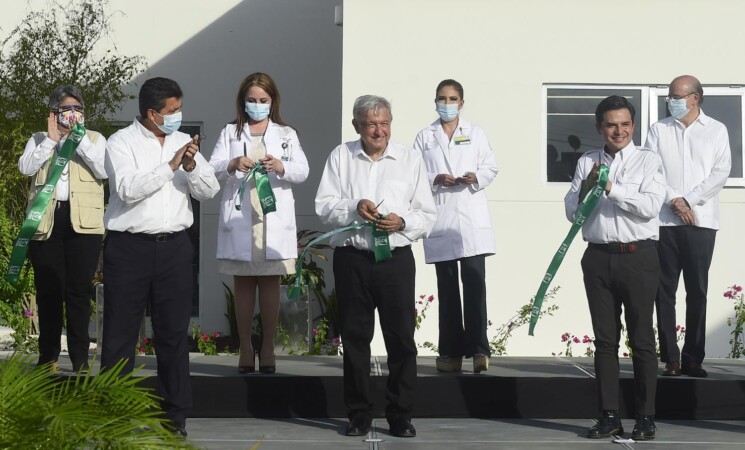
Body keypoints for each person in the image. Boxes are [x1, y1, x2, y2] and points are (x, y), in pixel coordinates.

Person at [101, 77, 220, 438]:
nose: (177, 117)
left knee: (172, 335)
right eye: (171, 111)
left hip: (175, 248)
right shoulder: (120, 142)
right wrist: (168, 166)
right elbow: (127, 189)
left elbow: (210, 190)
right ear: (152, 113)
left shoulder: (184, 142)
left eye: (179, 109)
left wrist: (191, 167)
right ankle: (114, 416)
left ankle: (175, 417)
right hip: (129, 247)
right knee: (120, 336)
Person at [315, 95, 436, 438]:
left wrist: (402, 221)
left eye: (384, 123)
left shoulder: (409, 159)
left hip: (395, 260)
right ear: (357, 126)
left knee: (401, 337)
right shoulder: (341, 157)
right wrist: (355, 207)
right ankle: (358, 414)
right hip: (353, 259)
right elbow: (323, 206)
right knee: (355, 338)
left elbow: (427, 214)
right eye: (371, 124)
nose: (378, 130)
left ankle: (401, 415)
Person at [564, 95, 666, 441]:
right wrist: (587, 191)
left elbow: (650, 207)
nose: (618, 131)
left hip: (638, 256)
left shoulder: (647, 161)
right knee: (605, 340)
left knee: (641, 340)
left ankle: (645, 416)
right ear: (599, 127)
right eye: (611, 124)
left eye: (624, 124)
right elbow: (572, 213)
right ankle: (608, 415)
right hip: (598, 256)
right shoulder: (586, 162)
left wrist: (610, 187)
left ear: (633, 126)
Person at [209, 72, 309, 374]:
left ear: (272, 101)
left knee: (269, 281)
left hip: (271, 215)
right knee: (242, 283)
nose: (257, 105)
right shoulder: (230, 132)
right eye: (252, 100)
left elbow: (302, 170)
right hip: (242, 214)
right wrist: (232, 163)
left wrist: (281, 166)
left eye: (263, 100)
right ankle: (245, 347)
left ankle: (267, 347)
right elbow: (212, 167)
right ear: (243, 101)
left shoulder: (286, 134)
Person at [645, 75, 732, 378]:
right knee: (663, 290)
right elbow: (651, 170)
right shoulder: (658, 130)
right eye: (670, 96)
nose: (672, 101)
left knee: (697, 290)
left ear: (695, 98)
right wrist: (675, 201)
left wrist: (689, 201)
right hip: (664, 221)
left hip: (701, 222)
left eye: (677, 96)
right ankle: (670, 357)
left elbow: (721, 172)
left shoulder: (716, 130)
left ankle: (693, 358)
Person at [18, 85, 107, 373]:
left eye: (77, 109)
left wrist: (77, 140)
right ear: (54, 113)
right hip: (47, 221)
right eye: (66, 109)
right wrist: (51, 140)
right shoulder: (38, 139)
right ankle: (48, 358)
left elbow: (104, 170)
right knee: (49, 290)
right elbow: (26, 168)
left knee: (79, 292)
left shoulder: (94, 139)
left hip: (84, 224)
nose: (72, 114)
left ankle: (80, 358)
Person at [412, 79, 498, 373]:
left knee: (475, 285)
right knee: (447, 289)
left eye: (452, 99)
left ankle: (479, 351)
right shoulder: (425, 137)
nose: (446, 104)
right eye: (442, 99)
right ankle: (449, 352)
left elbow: (491, 166)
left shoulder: (475, 133)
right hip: (441, 216)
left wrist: (475, 177)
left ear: (462, 103)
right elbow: (413, 175)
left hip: (471, 218)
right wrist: (437, 178)